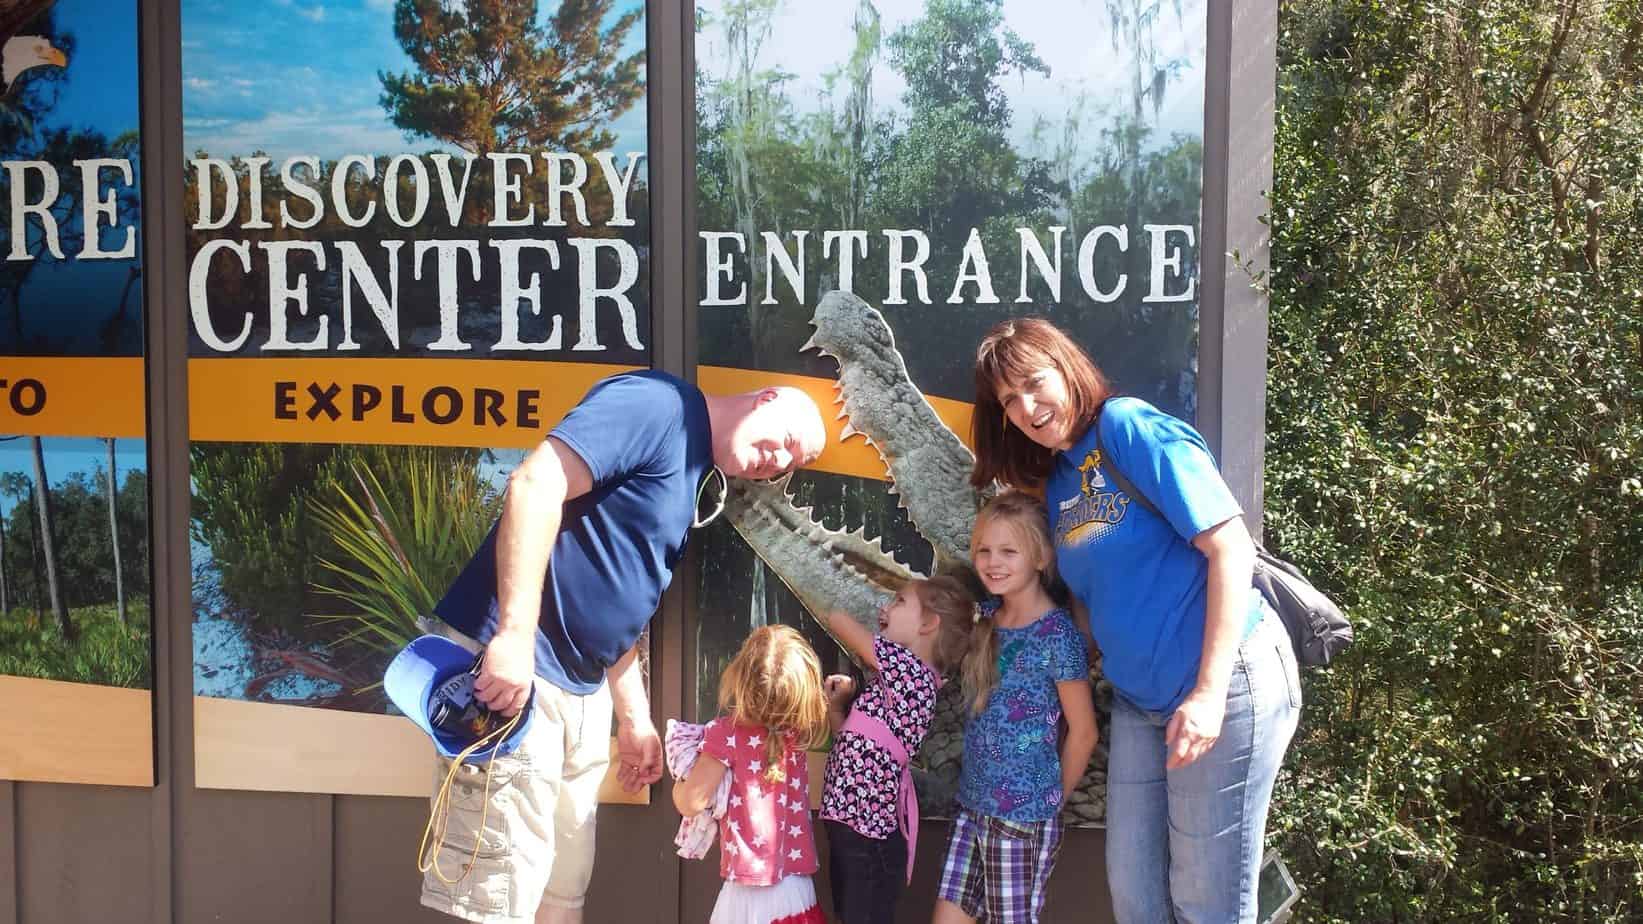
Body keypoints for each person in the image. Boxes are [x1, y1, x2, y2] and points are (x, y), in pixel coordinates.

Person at [422, 369, 827, 924]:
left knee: (562, 892)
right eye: (788, 443)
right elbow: (534, 484)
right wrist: (512, 635)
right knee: (500, 898)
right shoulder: (658, 406)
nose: (779, 462)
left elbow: (617, 596)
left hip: (579, 688)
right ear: (766, 399)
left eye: (793, 465)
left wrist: (634, 717)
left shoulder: (693, 472)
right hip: (518, 674)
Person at [970, 317, 1301, 924]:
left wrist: (1207, 694)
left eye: (1034, 384)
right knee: (1136, 897)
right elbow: (1090, 597)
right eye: (1009, 402)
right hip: (1139, 703)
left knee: (1208, 903)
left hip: (1221, 685)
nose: (1026, 408)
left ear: (1066, 368)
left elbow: (1231, 546)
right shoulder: (1059, 479)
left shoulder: (1127, 427)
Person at [933, 491, 1098, 924]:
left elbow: (1084, 732)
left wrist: (1049, 800)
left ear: (1041, 557)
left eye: (1009, 550)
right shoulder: (982, 618)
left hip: (1022, 820)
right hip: (972, 806)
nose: (993, 561)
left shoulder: (1058, 635)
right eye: (984, 550)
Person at [814, 575, 974, 924]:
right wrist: (837, 709)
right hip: (852, 826)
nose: (884, 607)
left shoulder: (911, 671)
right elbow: (854, 743)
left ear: (928, 624)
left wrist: (839, 593)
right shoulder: (896, 679)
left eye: (898, 601)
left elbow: (838, 618)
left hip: (867, 836)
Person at [672, 624, 831, 924]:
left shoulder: (724, 733)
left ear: (740, 678)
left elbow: (691, 802)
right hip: (796, 889)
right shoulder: (799, 733)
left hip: (746, 899)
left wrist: (680, 779)